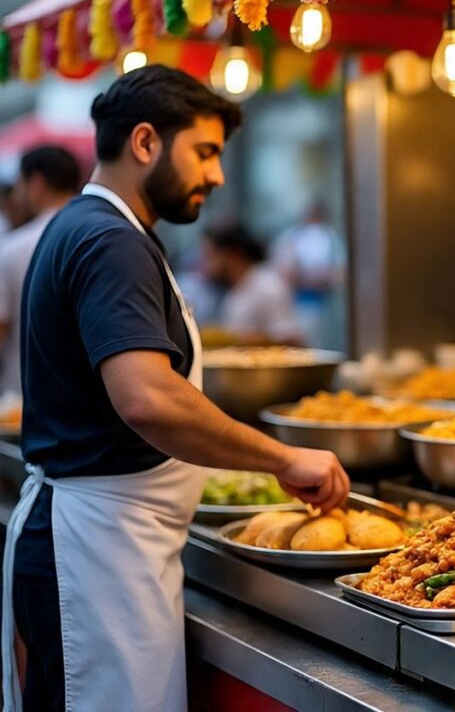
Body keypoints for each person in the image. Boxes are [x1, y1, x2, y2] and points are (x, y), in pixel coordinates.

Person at [1, 65, 349, 712]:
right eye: (206, 151)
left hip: (108, 544)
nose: (216, 175)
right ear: (144, 142)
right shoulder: (109, 239)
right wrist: (283, 456)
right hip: (97, 552)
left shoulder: (99, 227)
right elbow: (148, 397)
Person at [0, 147, 81, 395]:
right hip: (89, 405)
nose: (15, 197)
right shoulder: (99, 239)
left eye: (19, 186)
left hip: (24, 401)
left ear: (36, 183)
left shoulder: (13, 249)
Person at [202, 221, 305, 344]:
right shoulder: (235, 290)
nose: (206, 265)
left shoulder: (268, 286)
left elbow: (291, 340)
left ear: (232, 255)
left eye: (211, 256)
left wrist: (238, 340)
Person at [271, 202, 345, 347]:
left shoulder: (329, 238)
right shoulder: (291, 238)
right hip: (292, 303)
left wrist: (322, 277)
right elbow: (281, 271)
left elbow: (340, 272)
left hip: (323, 304)